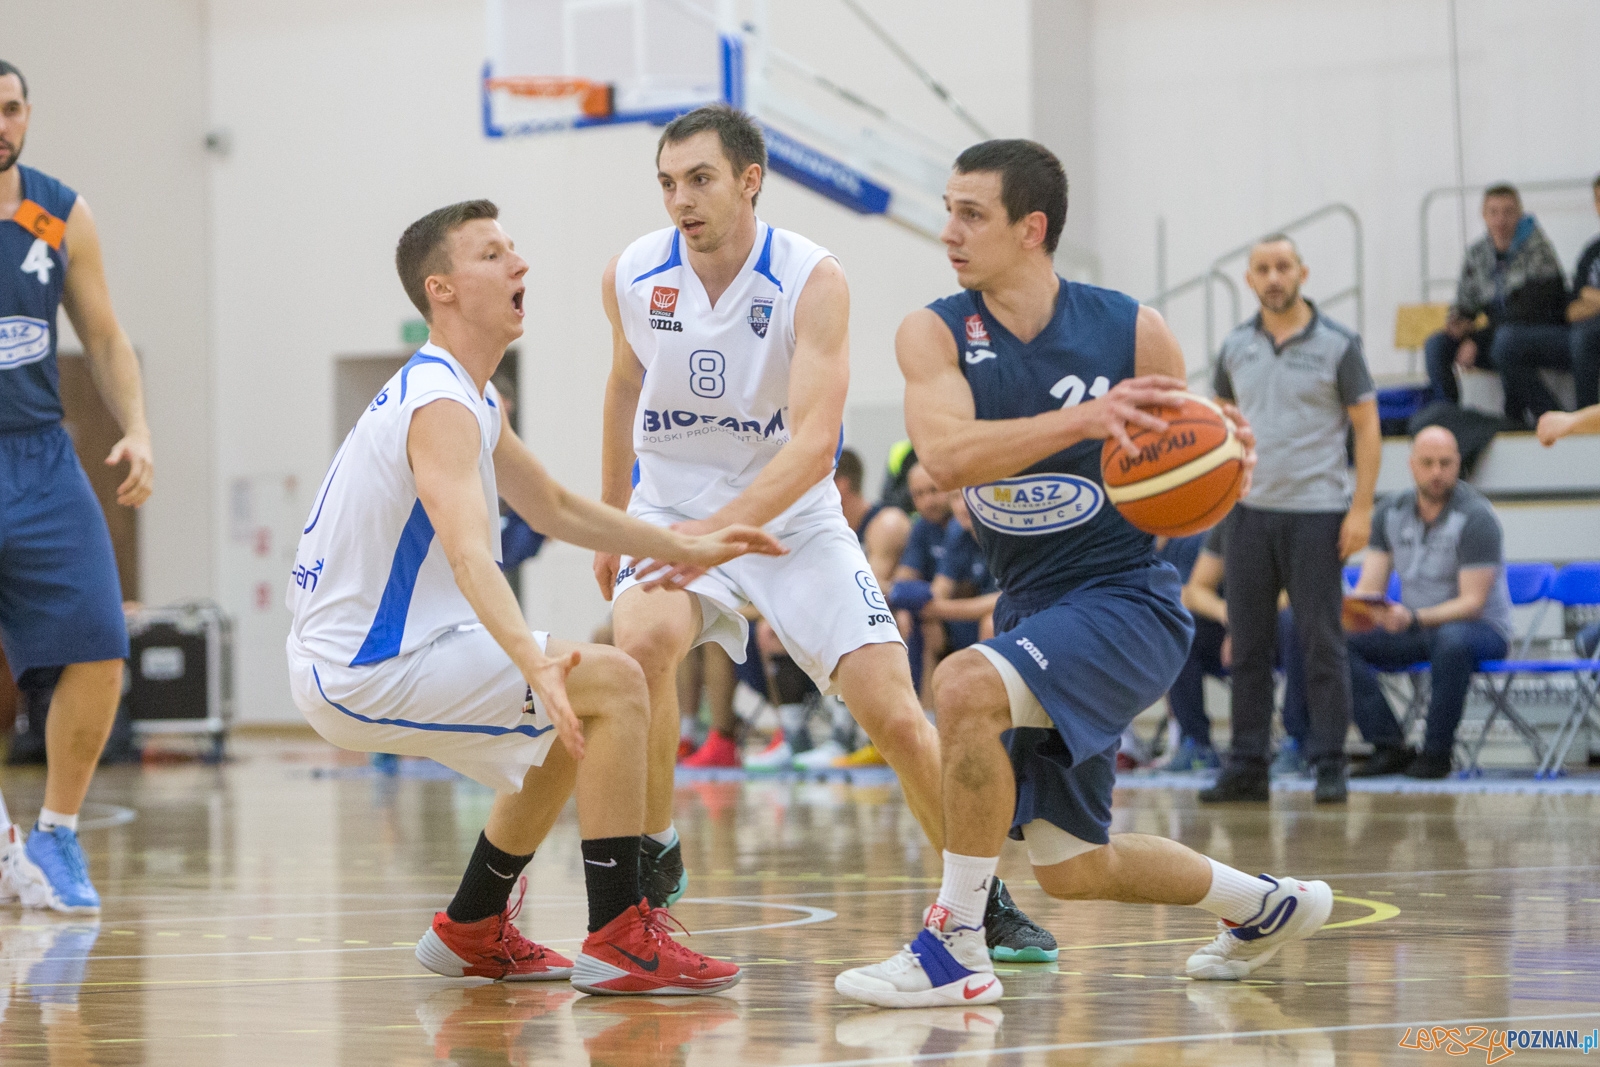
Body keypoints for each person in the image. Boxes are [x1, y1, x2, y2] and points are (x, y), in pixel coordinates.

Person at [836, 140, 1333, 1010]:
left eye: (971, 214)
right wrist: (1089, 419)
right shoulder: (935, 330)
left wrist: (1224, 461)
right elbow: (947, 458)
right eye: (948, 210)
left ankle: (953, 945)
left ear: (1033, 229)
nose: (948, 230)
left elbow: (1183, 481)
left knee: (959, 687)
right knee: (1073, 866)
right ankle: (1265, 905)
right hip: (1032, 605)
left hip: (1127, 597)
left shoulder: (1134, 329)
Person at [285, 199, 783, 994]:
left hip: (404, 648)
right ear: (441, 289)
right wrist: (533, 660)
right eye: (493, 254)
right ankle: (621, 934)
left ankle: (473, 922)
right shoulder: (441, 403)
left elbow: (549, 503)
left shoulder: (474, 395)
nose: (520, 265)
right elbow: (472, 554)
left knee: (579, 711)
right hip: (362, 666)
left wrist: (684, 544)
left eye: (515, 249)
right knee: (612, 682)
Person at [591, 105, 1053, 958]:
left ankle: (979, 901)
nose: (680, 200)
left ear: (749, 180)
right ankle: (653, 845)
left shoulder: (812, 277)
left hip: (790, 515)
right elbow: (624, 388)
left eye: (699, 180)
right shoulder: (631, 272)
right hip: (670, 501)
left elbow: (812, 451)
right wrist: (617, 517)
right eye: (667, 183)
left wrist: (718, 532)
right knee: (639, 647)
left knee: (896, 711)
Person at [0, 60, 154, 913]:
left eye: (13, 109)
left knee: (98, 642)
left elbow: (103, 333)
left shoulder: (59, 211)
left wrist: (137, 427)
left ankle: (56, 833)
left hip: (40, 457)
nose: (4, 124)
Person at [1201, 235, 1380, 806]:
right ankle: (1249, 763)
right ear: (1250, 280)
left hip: (1318, 513)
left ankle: (1329, 761)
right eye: (1262, 269)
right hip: (1248, 514)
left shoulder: (1338, 344)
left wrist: (1361, 508)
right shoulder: (1233, 348)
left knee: (1320, 641)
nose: (1274, 277)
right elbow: (1221, 427)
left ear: (1302, 272)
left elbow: (1368, 429)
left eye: (1283, 267)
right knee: (1248, 643)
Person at [1344, 427, 1512, 779]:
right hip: (1417, 626)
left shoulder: (1477, 518)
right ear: (1412, 465)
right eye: (1428, 463)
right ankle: (1388, 744)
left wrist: (1413, 617)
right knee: (1338, 643)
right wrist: (1365, 610)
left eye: (1445, 463)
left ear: (1458, 465)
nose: (1437, 472)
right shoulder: (1390, 512)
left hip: (1480, 630)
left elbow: (1472, 603)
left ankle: (1437, 753)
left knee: (1452, 641)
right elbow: (1370, 587)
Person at [1178, 520, 1313, 775]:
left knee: (1295, 620)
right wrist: (1228, 615)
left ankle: (1299, 740)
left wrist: (1248, 623)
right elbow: (1195, 590)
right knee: (1182, 624)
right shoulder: (1229, 523)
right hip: (1238, 628)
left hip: (1282, 628)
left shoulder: (1295, 517)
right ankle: (1196, 744)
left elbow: (1300, 588)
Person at [1424, 184, 1568, 423]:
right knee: (1436, 345)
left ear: (1519, 213)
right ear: (1484, 215)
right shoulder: (1478, 252)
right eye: (1494, 212)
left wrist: (1477, 339)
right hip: (1493, 335)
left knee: (1506, 342)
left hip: (1531, 334)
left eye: (1508, 211)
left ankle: (1543, 417)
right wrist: (1458, 322)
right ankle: (1449, 420)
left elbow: (1528, 312)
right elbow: (1465, 301)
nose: (1500, 219)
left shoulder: (1538, 249)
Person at [1565, 175, 1600, 411]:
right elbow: (1571, 311)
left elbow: (1584, 297)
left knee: (1583, 338)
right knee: (1509, 343)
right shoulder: (1591, 252)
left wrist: (1592, 297)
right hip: (1587, 330)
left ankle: (1586, 421)